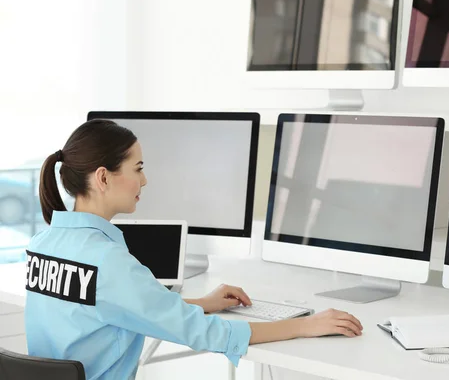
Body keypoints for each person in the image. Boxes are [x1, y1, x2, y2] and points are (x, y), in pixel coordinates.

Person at [24, 119, 363, 380]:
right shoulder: (107, 262)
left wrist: (202, 302)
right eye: (138, 169)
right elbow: (207, 334)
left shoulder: (43, 246)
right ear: (103, 177)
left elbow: (112, 303)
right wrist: (306, 325)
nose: (144, 181)